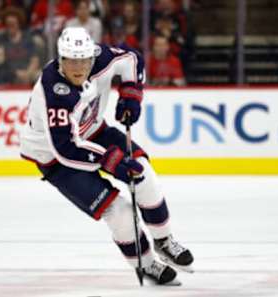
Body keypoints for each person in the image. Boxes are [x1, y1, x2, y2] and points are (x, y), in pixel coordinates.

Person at [19, 27, 194, 285]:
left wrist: (131, 94)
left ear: (92, 57)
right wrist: (112, 161)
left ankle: (164, 240)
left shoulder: (101, 57)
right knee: (120, 212)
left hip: (93, 131)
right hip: (56, 160)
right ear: (60, 59)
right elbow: (66, 148)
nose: (78, 67)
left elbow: (132, 60)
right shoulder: (53, 93)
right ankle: (146, 264)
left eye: (83, 60)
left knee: (144, 174)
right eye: (70, 61)